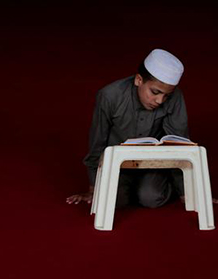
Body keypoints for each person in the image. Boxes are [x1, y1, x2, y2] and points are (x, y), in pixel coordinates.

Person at [67, 48, 194, 209]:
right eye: (155, 92)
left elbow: (179, 145)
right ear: (139, 80)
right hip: (118, 165)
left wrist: (188, 192)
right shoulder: (109, 95)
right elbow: (97, 142)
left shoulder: (176, 98)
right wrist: (94, 189)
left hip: (154, 164)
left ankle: (159, 186)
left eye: (166, 95)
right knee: (112, 201)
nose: (160, 100)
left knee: (151, 197)